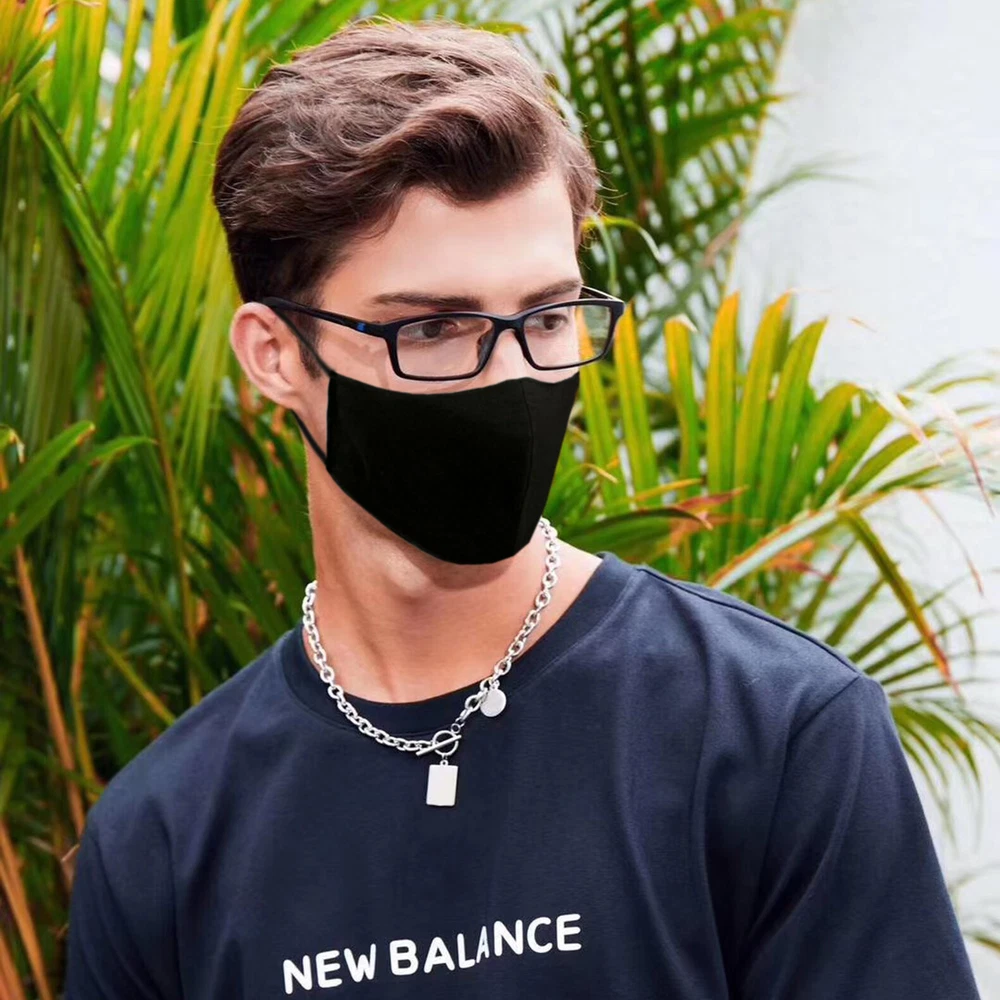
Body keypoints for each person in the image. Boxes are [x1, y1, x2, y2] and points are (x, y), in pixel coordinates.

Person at [63, 16, 981, 1000]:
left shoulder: (775, 733)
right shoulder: (163, 840)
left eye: (546, 318)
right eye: (434, 328)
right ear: (276, 356)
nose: (509, 378)